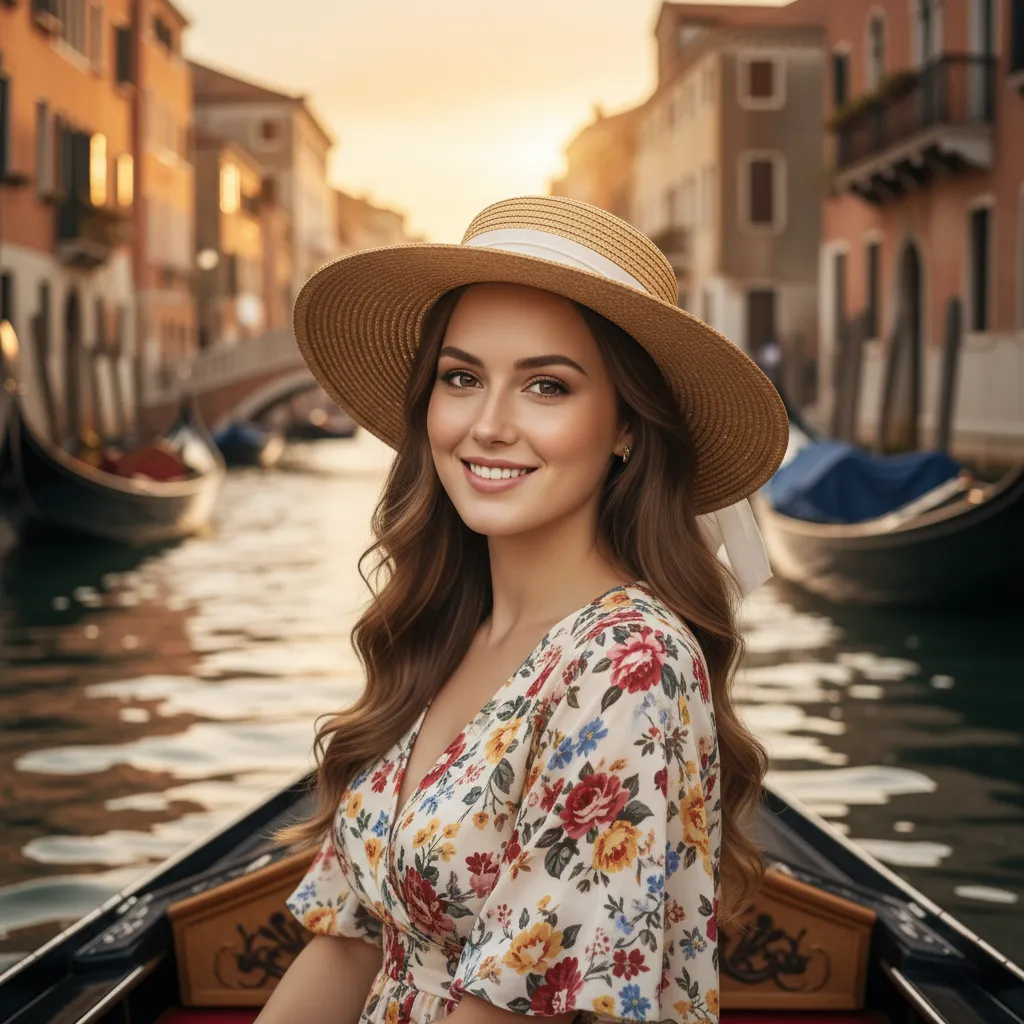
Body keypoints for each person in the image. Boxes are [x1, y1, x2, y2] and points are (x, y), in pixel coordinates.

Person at [257, 196, 788, 1024]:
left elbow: (516, 1010)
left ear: (625, 428)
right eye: (461, 378)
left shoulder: (629, 664)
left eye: (547, 385)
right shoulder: (444, 631)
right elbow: (353, 939)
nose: (489, 425)